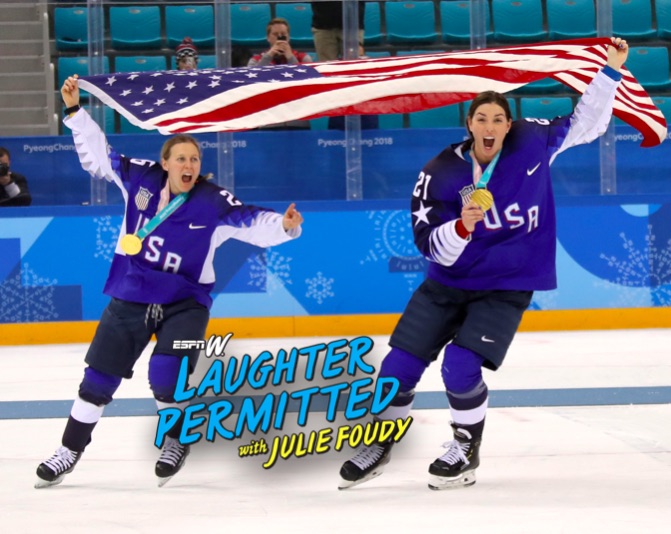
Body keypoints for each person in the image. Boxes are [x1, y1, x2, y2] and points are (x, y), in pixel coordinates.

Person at [338, 37, 630, 491]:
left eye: (498, 118)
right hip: (447, 284)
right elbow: (429, 247)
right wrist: (460, 227)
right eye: (482, 118)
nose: (490, 125)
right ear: (469, 124)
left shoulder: (532, 144)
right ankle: (380, 442)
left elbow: (587, 124)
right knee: (397, 367)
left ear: (508, 125)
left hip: (506, 284)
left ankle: (465, 449)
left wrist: (610, 72)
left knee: (460, 364)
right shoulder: (439, 172)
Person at [35, 76, 304, 489]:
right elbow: (100, 156)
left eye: (194, 160)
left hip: (186, 304)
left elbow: (252, 221)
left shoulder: (213, 201)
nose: (189, 166)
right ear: (165, 163)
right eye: (181, 159)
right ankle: (68, 451)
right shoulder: (138, 179)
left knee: (167, 373)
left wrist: (284, 228)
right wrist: (75, 113)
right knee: (97, 380)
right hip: (131, 295)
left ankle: (176, 440)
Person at [247, 17, 313, 67]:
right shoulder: (255, 60)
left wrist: (290, 57)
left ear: (289, 37)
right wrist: (268, 56)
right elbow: (255, 78)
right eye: (275, 34)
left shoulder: (304, 58)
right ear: (268, 38)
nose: (279, 37)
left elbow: (303, 78)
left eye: (283, 34)